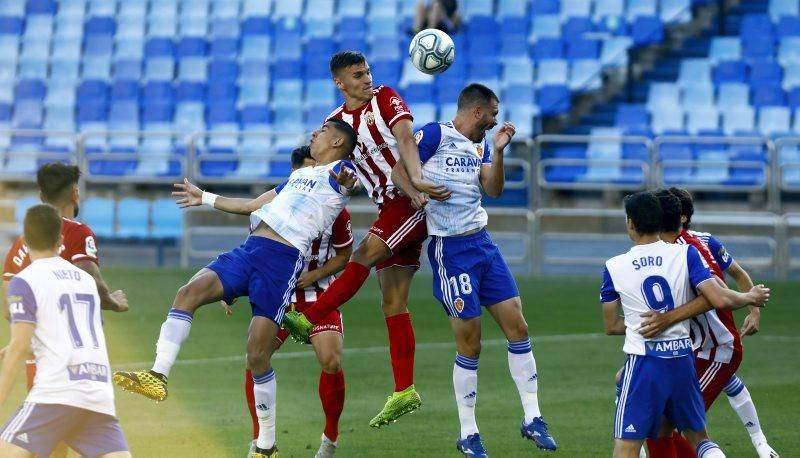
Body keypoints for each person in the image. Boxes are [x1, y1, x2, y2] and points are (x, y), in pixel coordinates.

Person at [112, 119, 358, 458]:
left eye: (323, 132)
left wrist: (347, 180)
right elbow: (249, 206)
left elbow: (348, 179)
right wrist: (205, 197)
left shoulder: (340, 171)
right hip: (250, 250)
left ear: (336, 143)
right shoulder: (296, 177)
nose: (315, 134)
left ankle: (266, 446)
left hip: (281, 261)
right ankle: (157, 376)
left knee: (256, 355)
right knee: (188, 293)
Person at [282, 51, 451, 428]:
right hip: (387, 207)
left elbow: (405, 136)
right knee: (393, 303)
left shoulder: (385, 97)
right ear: (340, 83)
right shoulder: (335, 123)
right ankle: (405, 390)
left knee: (361, 254)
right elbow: (335, 168)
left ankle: (309, 319)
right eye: (357, 75)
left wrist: (418, 176)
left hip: (410, 201)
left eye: (367, 72)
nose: (366, 79)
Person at [395, 83, 557, 455]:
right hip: (450, 250)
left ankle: (532, 417)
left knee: (518, 326)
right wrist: (415, 192)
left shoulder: (482, 145)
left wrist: (498, 153)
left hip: (482, 243)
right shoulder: (434, 134)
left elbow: (493, 189)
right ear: (477, 112)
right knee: (471, 341)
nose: (495, 121)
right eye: (493, 114)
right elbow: (396, 170)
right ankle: (468, 432)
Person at [173, 146, 352, 458]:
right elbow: (251, 254)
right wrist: (229, 291)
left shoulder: (334, 207)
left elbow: (345, 255)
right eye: (307, 171)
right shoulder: (275, 207)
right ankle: (260, 441)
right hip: (278, 289)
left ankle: (330, 437)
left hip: (316, 293)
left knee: (331, 361)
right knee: (255, 357)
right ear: (295, 174)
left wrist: (315, 275)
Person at [600, 191, 769, 458]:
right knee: (698, 437)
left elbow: (610, 325)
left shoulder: (614, 265)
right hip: (683, 357)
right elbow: (718, 297)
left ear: (630, 223)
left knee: (628, 445)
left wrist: (646, 323)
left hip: (646, 361)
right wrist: (750, 298)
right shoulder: (685, 254)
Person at [2, 163, 129, 458]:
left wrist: (22, 339)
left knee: (39, 446)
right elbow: (92, 281)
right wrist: (113, 300)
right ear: (74, 193)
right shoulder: (80, 248)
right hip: (91, 376)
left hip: (47, 366)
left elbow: (12, 311)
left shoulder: (21, 259)